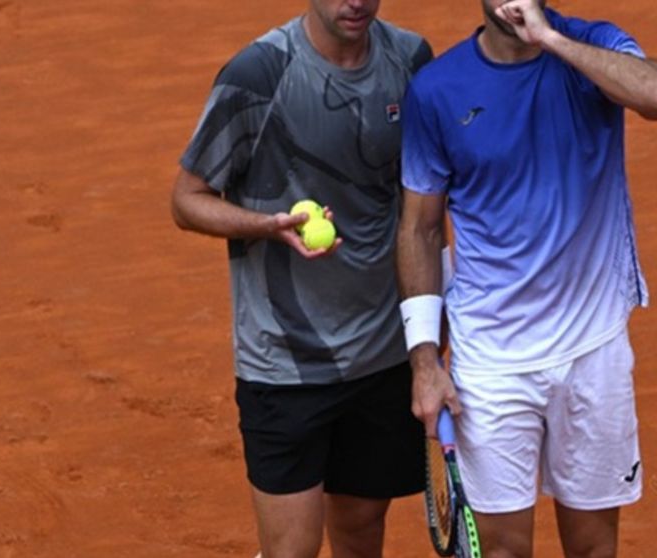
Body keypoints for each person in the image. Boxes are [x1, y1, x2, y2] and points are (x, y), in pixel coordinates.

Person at [396, 1, 657, 556]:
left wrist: (552, 42)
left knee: (595, 547)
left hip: (593, 350)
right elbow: (419, 231)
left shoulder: (591, 45)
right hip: (493, 361)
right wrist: (425, 361)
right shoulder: (437, 90)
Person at [170, 1, 433, 556]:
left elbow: (423, 211)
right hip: (283, 362)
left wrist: (429, 336)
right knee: (292, 550)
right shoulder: (258, 74)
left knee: (362, 532)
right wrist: (266, 225)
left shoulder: (410, 59)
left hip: (382, 353)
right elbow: (187, 199)